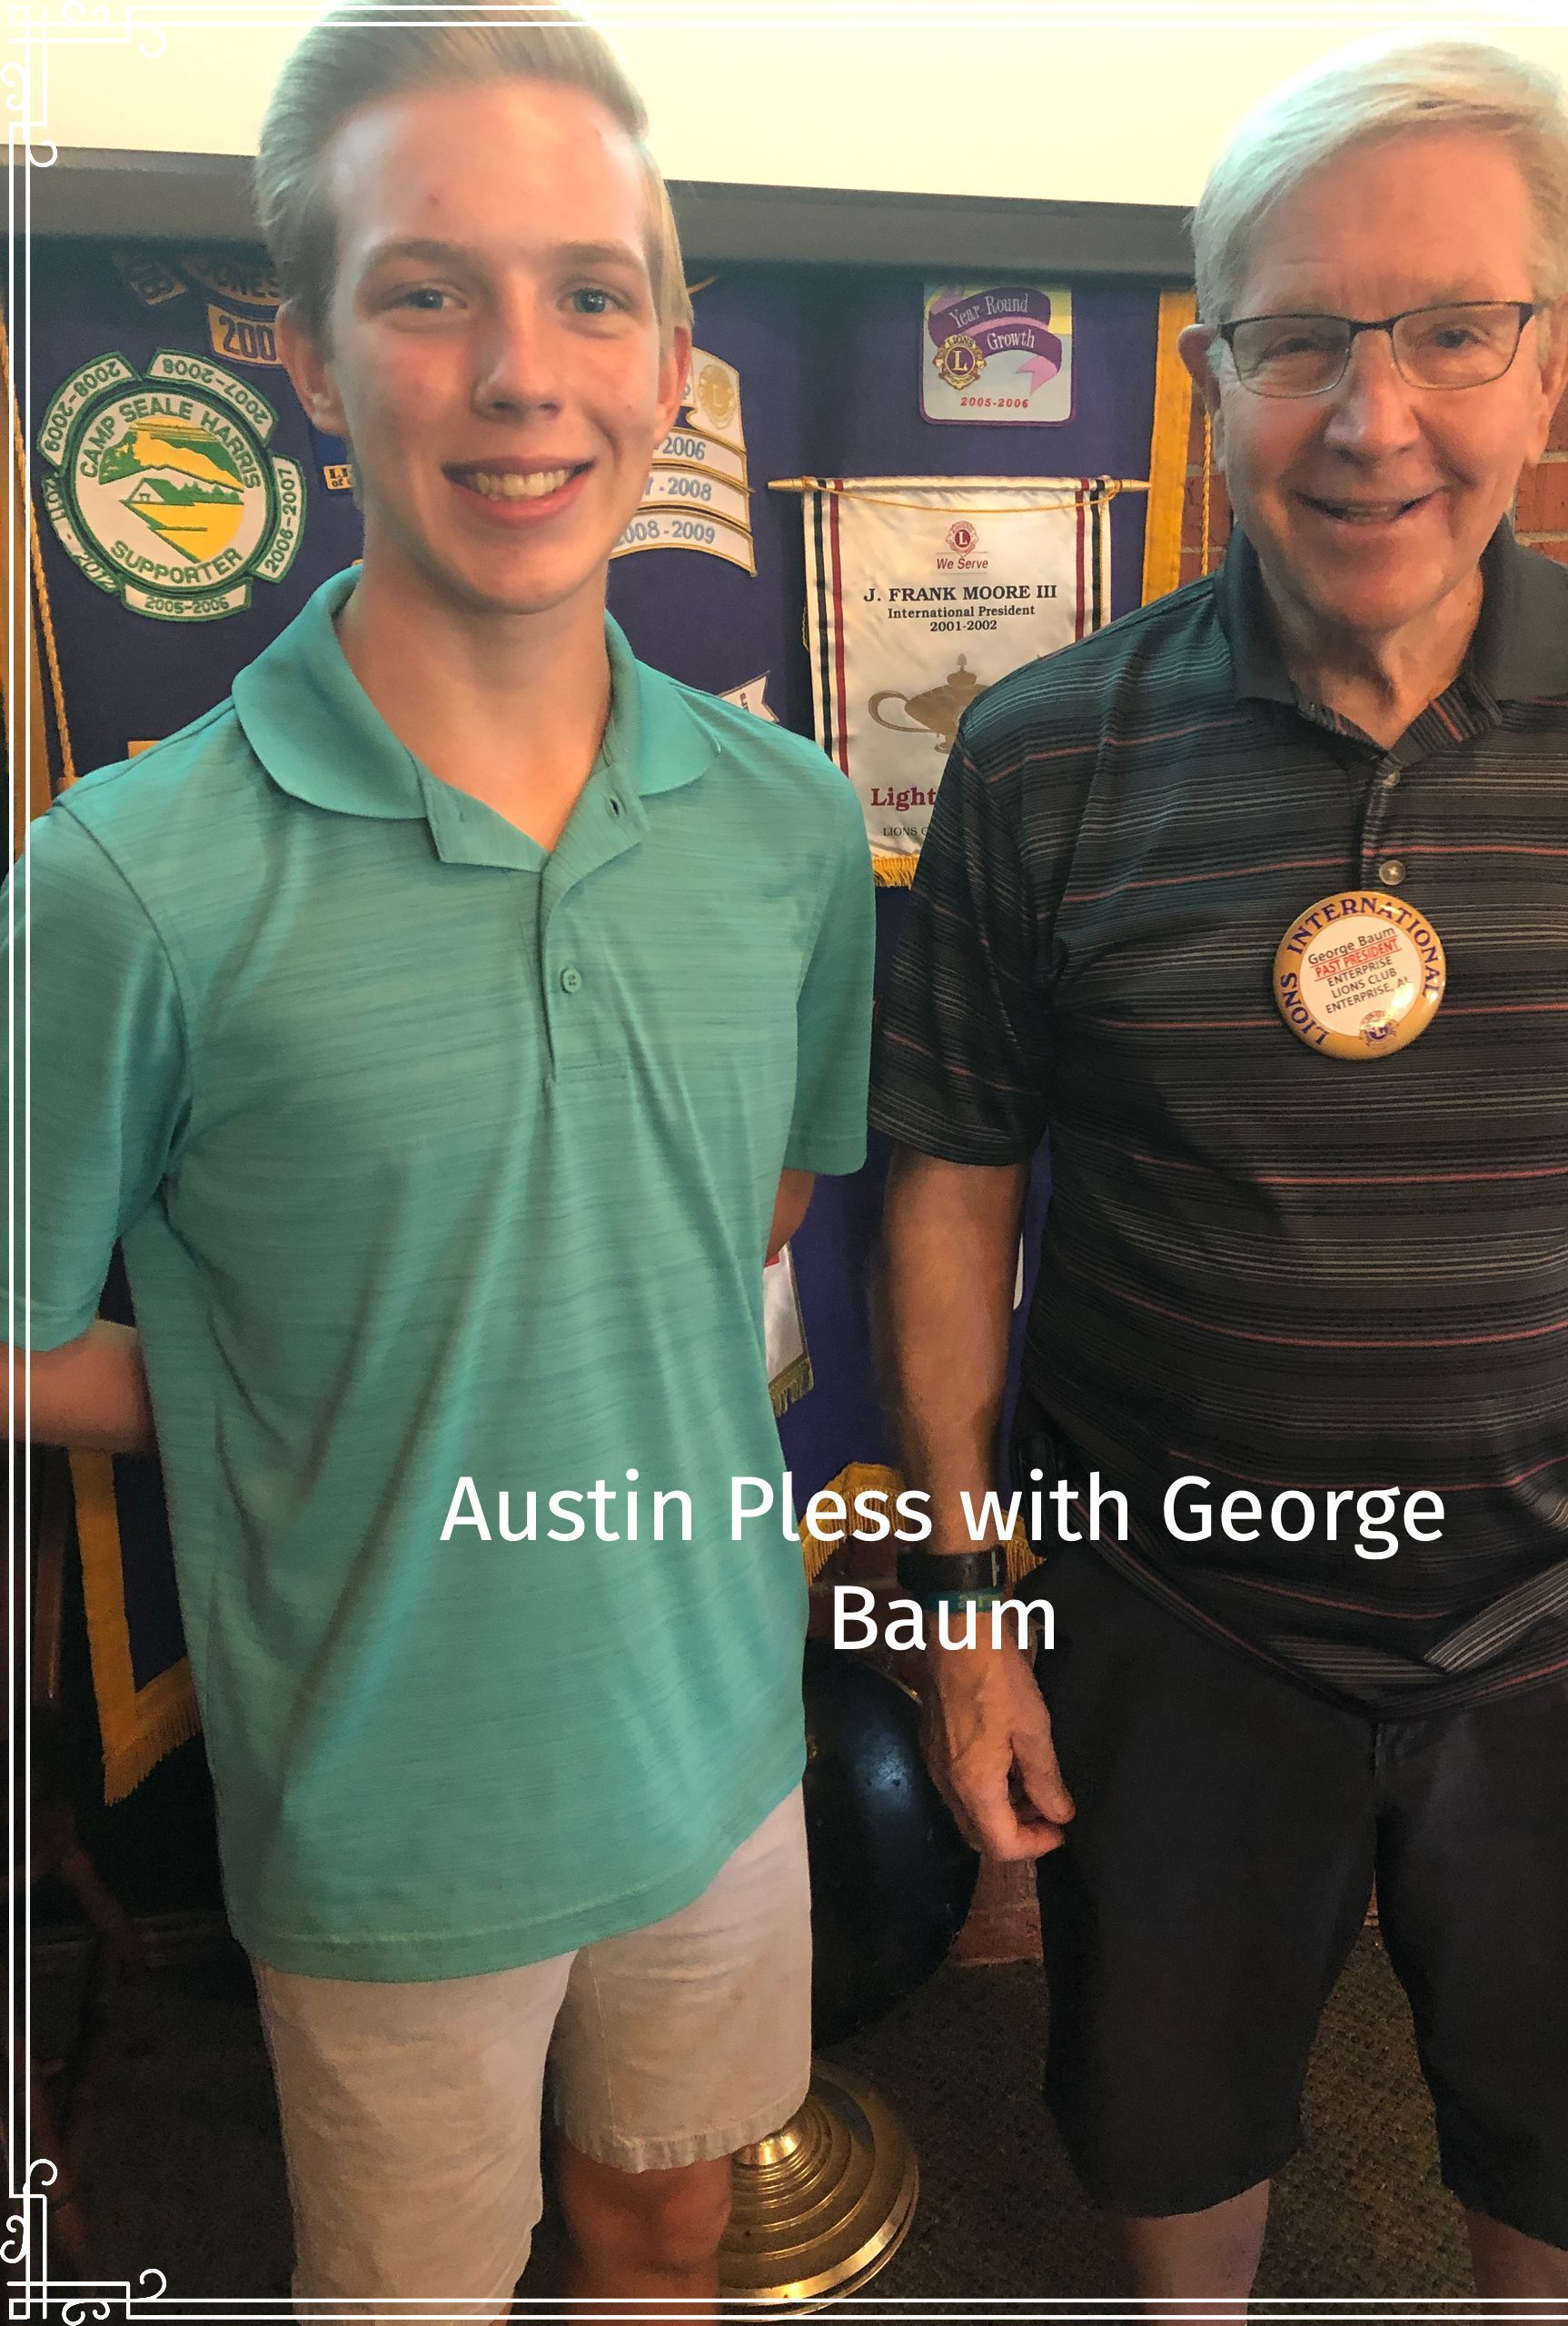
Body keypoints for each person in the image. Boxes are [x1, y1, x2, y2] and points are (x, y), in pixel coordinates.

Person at [8, 5, 873, 2309]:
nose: (523, 369)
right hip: (389, 1811)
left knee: (668, 2221)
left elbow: (751, 1215)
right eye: (428, 289)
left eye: (591, 290)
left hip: (716, 1737)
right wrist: (270, 1374)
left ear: (671, 349)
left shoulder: (788, 827)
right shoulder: (128, 877)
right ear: (306, 348)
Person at [872, 36, 1568, 2311]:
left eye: (1454, 330)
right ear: (1207, 367)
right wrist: (968, 1612)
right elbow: (949, 1189)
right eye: (1298, 342)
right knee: (1167, 2132)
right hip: (1181, 1613)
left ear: (1553, 350)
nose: (1376, 417)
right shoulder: (1044, 758)